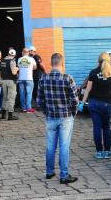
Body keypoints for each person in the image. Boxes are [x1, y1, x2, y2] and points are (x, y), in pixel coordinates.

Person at [37, 53, 78, 184]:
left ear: (51, 63)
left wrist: (46, 111)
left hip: (51, 117)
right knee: (64, 146)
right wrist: (73, 113)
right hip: (65, 117)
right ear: (62, 63)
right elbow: (75, 100)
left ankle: (49, 172)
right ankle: (64, 175)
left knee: (50, 146)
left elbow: (39, 100)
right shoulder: (68, 78)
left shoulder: (43, 78)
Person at [0, 49, 19, 120]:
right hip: (11, 81)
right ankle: (10, 115)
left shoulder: (2, 61)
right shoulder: (12, 61)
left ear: (8, 54)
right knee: (11, 98)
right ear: (14, 55)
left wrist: (1, 78)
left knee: (4, 97)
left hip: (3, 81)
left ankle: (3, 115)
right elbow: (13, 73)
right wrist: (17, 69)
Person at [17, 48, 37, 113]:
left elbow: (18, 67)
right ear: (28, 53)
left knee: (22, 93)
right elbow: (35, 67)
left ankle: (23, 108)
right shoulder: (32, 59)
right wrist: (30, 67)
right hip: (29, 78)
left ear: (22, 52)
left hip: (21, 79)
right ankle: (28, 108)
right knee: (29, 94)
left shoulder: (19, 59)